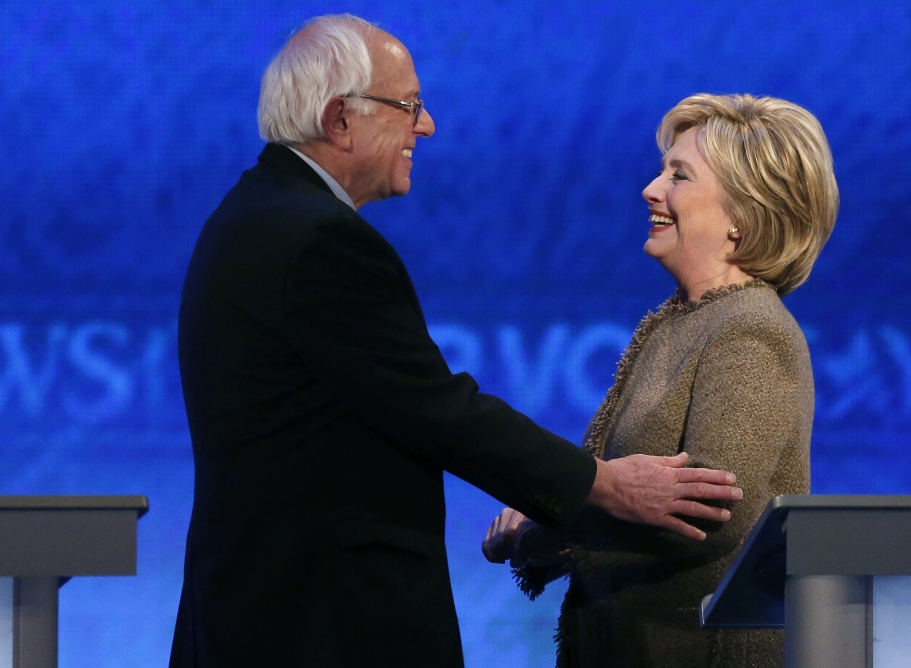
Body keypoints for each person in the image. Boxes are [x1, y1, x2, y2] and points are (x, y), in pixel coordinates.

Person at [169, 15, 745, 668]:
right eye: (409, 105)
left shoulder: (251, 215)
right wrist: (603, 485)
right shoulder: (319, 241)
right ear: (340, 121)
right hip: (321, 622)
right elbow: (437, 411)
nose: (428, 125)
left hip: (260, 611)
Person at [482, 93, 838, 667]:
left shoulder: (749, 332)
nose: (651, 189)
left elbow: (709, 517)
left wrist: (550, 535)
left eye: (679, 175)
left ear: (742, 216)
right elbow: (630, 494)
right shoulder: (683, 320)